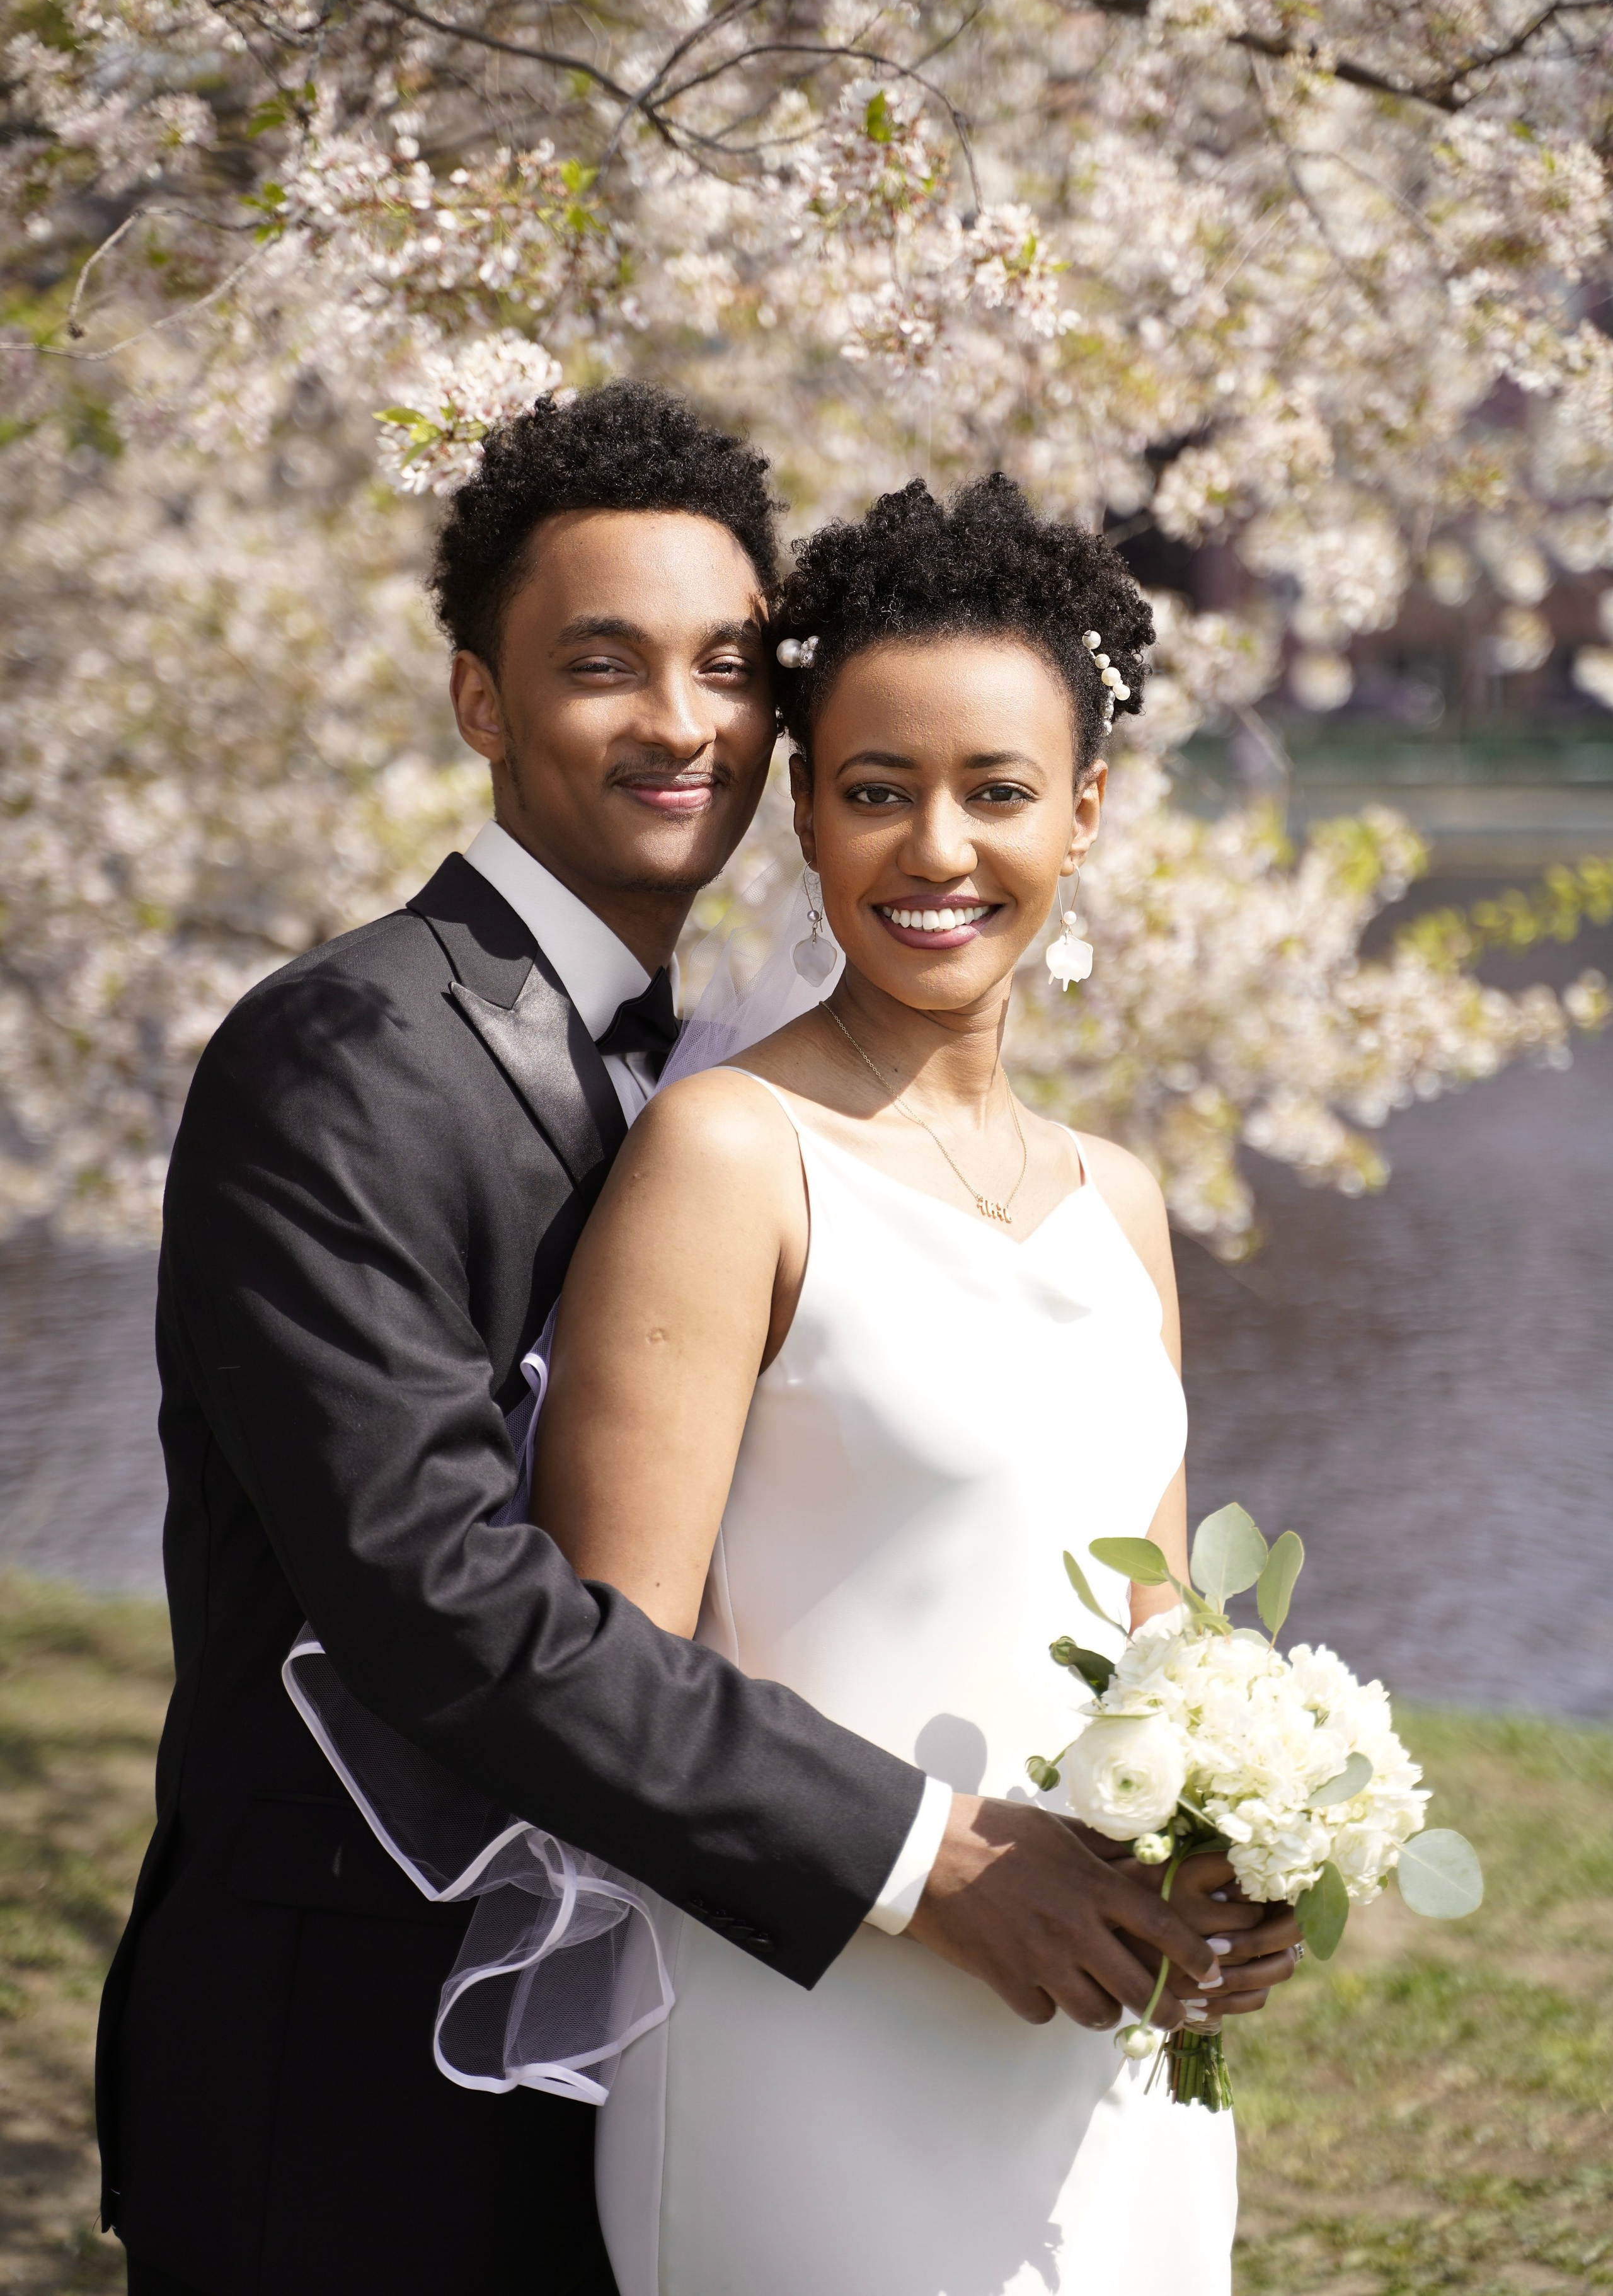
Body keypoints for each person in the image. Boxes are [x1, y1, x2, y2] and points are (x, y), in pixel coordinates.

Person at [98, 391, 1226, 2296]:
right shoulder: (347, 1058)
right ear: (481, 703)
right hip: (351, 2059)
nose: (683, 721)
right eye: (601, 665)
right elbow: (444, 1596)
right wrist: (929, 1859)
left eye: (725, 664)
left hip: (676, 2013)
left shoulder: (699, 1067)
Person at [520, 474, 1302, 2295]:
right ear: (804, 808)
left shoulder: (1125, 1203)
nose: (936, 849)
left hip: (1105, 2049)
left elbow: (1158, 1650)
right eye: (878, 789)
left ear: (1087, 811)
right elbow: (602, 1670)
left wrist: (1240, 1857)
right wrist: (932, 1878)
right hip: (811, 2022)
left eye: (998, 790)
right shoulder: (731, 1157)